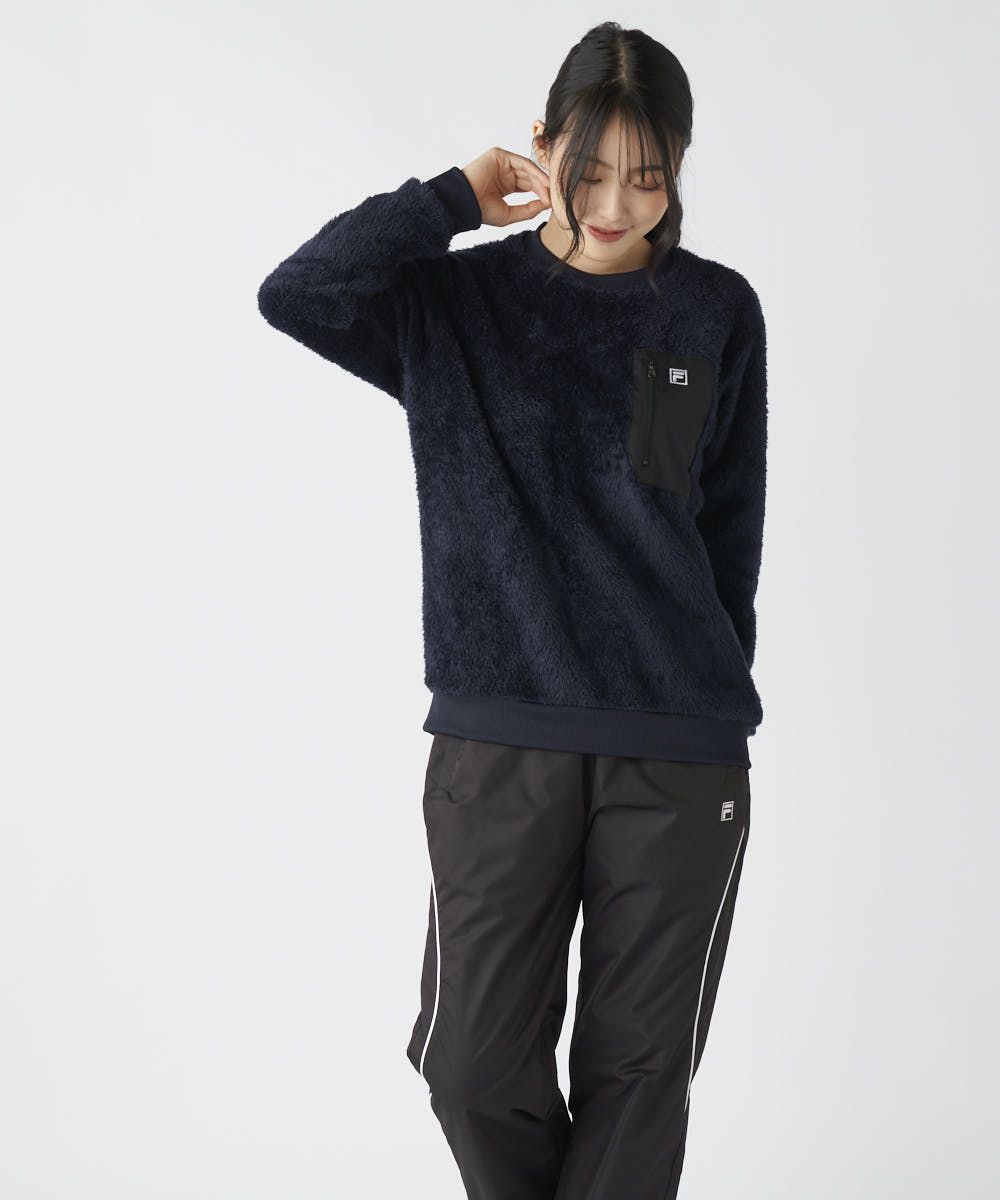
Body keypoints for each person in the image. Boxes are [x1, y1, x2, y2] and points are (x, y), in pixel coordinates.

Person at [257, 19, 767, 1199]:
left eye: (649, 176)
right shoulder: (454, 308)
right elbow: (298, 294)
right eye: (590, 169)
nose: (616, 204)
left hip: (677, 753)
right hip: (499, 741)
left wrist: (707, 707)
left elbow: (727, 537)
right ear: (543, 144)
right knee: (468, 1067)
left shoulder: (714, 311)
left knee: (639, 1081)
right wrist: (449, 197)